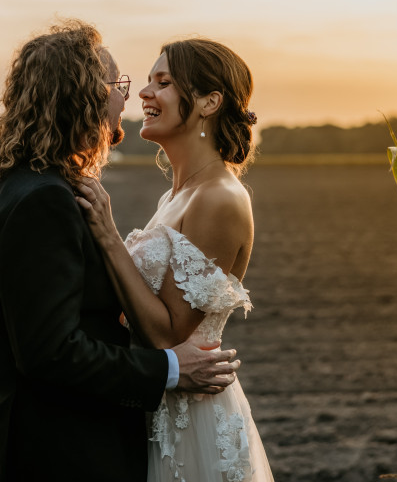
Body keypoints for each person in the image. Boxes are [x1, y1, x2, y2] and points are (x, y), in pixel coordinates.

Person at [0, 21, 240, 481]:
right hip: (59, 454)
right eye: (118, 86)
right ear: (83, 96)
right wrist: (170, 369)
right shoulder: (43, 199)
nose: (127, 99)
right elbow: (50, 352)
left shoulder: (26, 186)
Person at [76, 38, 274, 482]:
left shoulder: (219, 198)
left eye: (163, 82)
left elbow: (168, 334)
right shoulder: (174, 196)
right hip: (152, 404)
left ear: (209, 102)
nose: (144, 93)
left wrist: (107, 236)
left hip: (191, 424)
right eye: (148, 81)